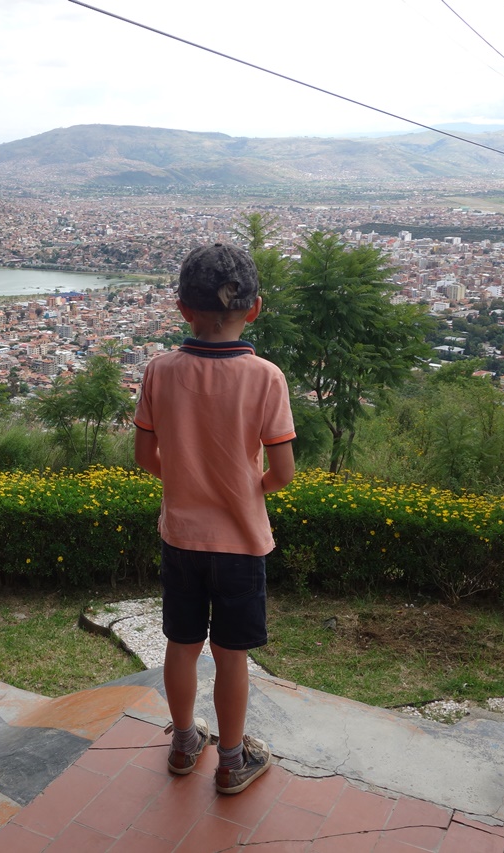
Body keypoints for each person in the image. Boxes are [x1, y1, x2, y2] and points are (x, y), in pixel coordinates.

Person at [133, 241, 296, 795]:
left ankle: (183, 743)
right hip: (240, 544)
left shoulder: (159, 370)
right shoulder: (265, 377)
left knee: (181, 644)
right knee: (231, 656)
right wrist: (249, 492)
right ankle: (231, 760)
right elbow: (284, 471)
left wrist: (184, 481)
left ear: (183, 309)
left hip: (180, 536)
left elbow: (144, 458)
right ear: (254, 308)